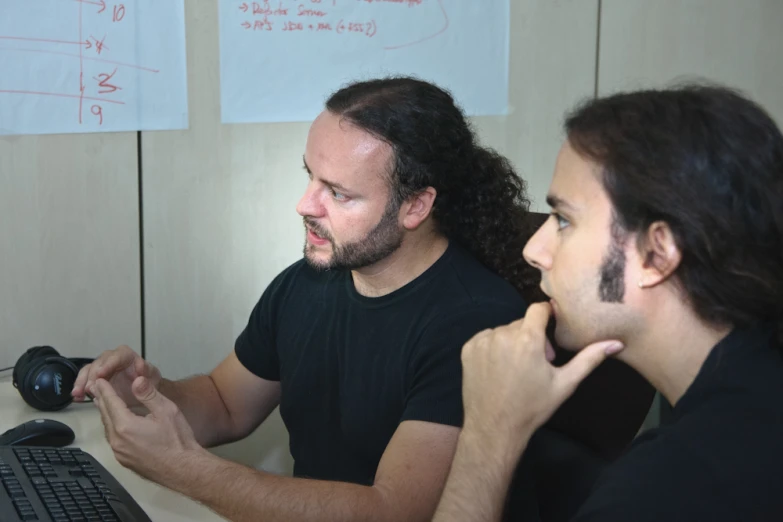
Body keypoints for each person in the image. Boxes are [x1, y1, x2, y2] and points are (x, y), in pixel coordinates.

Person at [71, 76, 540, 522]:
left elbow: (393, 511)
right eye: (311, 177)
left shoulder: (477, 323)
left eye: (338, 193)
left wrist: (185, 469)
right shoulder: (310, 280)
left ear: (416, 206)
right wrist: (147, 393)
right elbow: (225, 403)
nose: (305, 205)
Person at [433, 83, 783, 522]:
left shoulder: (673, 486)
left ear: (658, 254)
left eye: (563, 220)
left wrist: (488, 436)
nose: (534, 250)